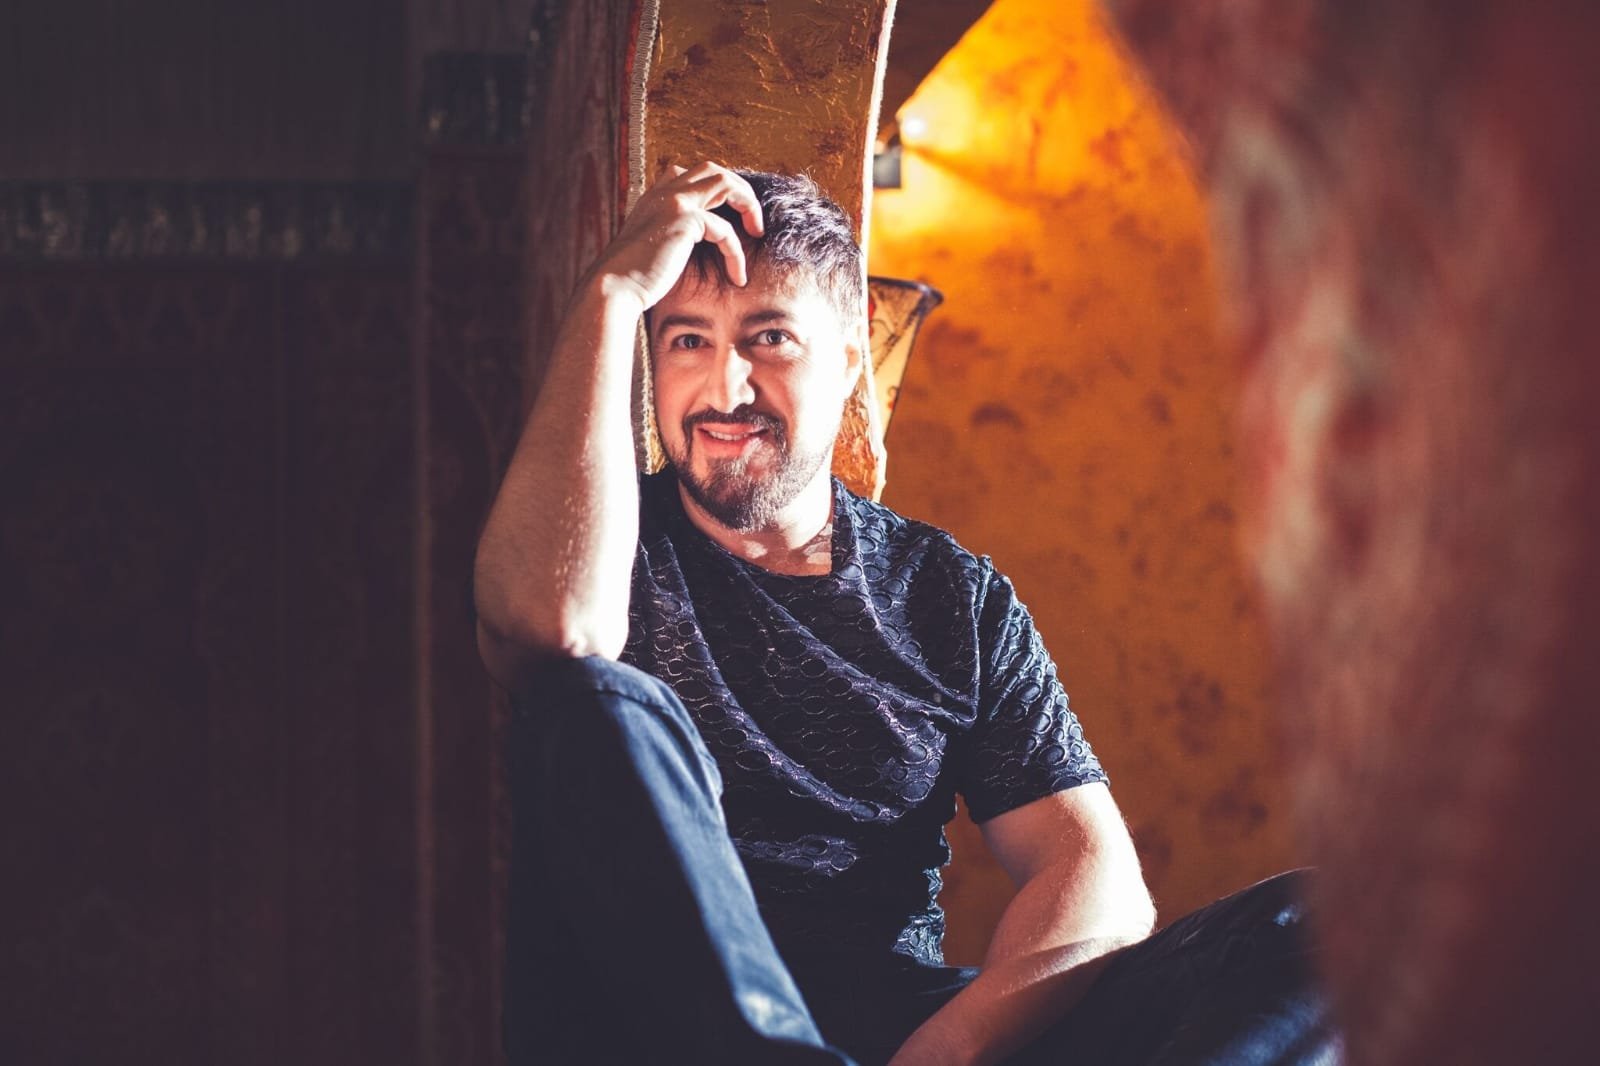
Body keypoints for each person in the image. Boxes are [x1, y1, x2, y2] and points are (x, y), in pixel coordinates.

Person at [475, 163, 1333, 1065]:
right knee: (601, 699)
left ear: (850, 359)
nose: (726, 386)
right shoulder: (604, 556)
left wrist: (945, 1054)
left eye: (769, 338)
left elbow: (1096, 881)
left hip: (897, 1030)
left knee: (1314, 928)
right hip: (662, 1032)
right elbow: (555, 627)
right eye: (687, 340)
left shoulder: (947, 594)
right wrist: (612, 293)